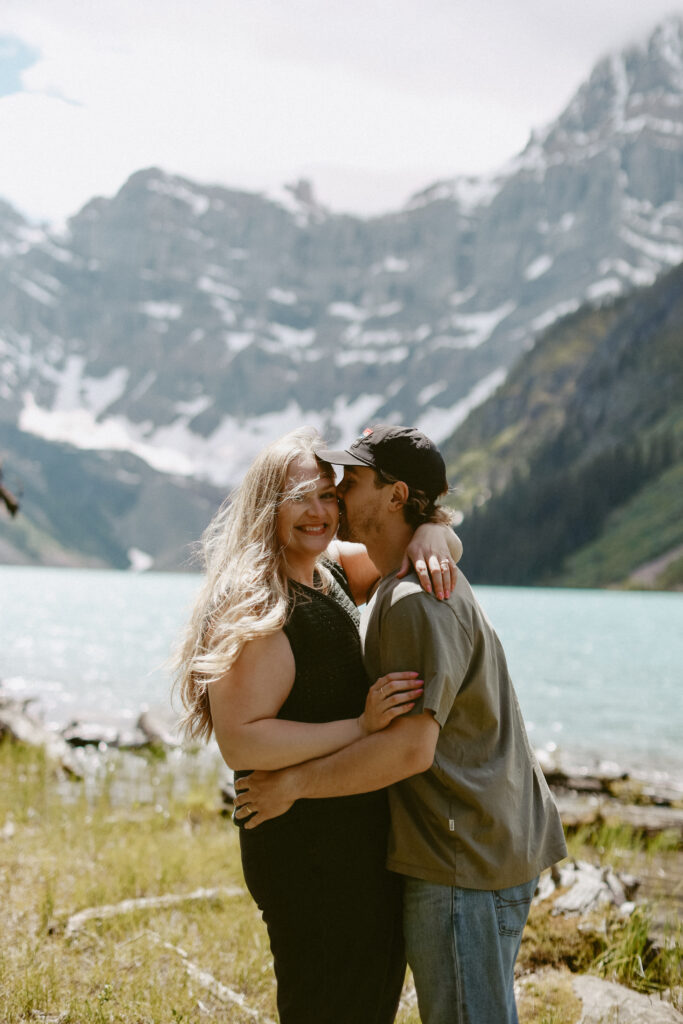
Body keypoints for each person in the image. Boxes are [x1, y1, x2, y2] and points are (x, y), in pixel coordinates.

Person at [234, 424, 568, 1024]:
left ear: (395, 496)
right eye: (314, 492)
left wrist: (292, 784)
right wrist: (436, 528)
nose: (333, 499)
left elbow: (410, 749)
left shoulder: (415, 597)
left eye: (347, 484)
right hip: (463, 848)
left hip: (461, 858)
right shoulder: (385, 578)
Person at [174, 427, 462, 1024]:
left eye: (330, 495)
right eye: (300, 496)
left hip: (349, 837)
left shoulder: (323, 568)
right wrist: (360, 728)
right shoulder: (258, 602)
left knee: (362, 999)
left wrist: (435, 526)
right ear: (266, 506)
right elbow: (241, 740)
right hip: (305, 848)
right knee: (327, 1003)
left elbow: (409, 546)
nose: (321, 510)